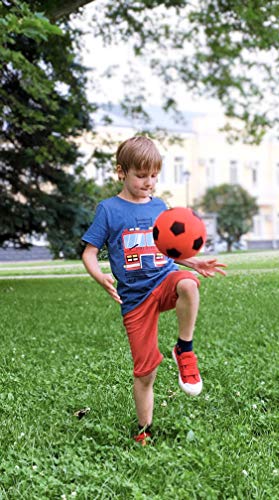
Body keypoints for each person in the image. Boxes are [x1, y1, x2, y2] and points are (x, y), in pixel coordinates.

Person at [82, 135, 226, 445]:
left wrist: (194, 264)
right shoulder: (109, 210)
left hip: (164, 281)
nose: (150, 182)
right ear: (121, 172)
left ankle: (184, 349)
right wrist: (100, 276)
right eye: (142, 175)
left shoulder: (160, 207)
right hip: (135, 299)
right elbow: (88, 252)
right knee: (145, 372)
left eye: (154, 176)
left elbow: (170, 248)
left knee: (189, 285)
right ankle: (144, 430)